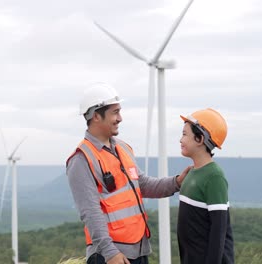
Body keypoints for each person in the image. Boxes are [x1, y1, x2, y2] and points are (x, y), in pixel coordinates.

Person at [66, 83, 191, 264]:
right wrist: (110, 253)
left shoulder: (123, 148)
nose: (120, 118)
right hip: (110, 256)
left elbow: (143, 184)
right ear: (96, 116)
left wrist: (177, 182)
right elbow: (90, 212)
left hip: (138, 250)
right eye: (115, 112)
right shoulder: (81, 160)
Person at [177, 108, 234, 264]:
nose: (180, 140)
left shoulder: (214, 177)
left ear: (200, 139)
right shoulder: (191, 173)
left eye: (184, 134)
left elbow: (218, 231)